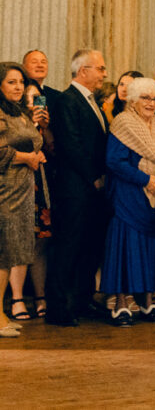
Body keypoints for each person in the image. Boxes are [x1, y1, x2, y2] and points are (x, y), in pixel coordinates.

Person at [101, 77, 155, 327]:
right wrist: (145, 179)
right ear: (133, 100)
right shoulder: (123, 123)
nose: (151, 103)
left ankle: (149, 302)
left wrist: (153, 182)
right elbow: (114, 161)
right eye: (145, 98)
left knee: (149, 247)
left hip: (152, 196)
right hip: (128, 193)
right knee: (125, 245)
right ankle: (121, 305)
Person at [47, 49, 109, 327]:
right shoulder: (66, 100)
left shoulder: (91, 101)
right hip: (75, 188)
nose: (104, 74)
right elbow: (70, 144)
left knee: (90, 247)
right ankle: (58, 308)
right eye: (101, 68)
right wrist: (93, 176)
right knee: (68, 247)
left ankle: (83, 300)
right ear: (83, 71)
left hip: (94, 189)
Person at [0, 63, 46, 338]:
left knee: (8, 255)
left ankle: (0, 314)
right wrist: (25, 158)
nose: (18, 87)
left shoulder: (18, 112)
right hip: (4, 192)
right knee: (2, 253)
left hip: (21, 192)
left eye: (20, 82)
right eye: (11, 82)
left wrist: (36, 153)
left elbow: (34, 142)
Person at [8, 79, 54, 322]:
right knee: (18, 243)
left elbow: (53, 150)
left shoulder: (39, 123)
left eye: (38, 97)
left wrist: (44, 127)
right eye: (29, 96)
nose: (34, 101)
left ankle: (40, 296)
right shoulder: (12, 121)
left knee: (40, 243)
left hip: (40, 185)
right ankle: (17, 298)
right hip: (16, 186)